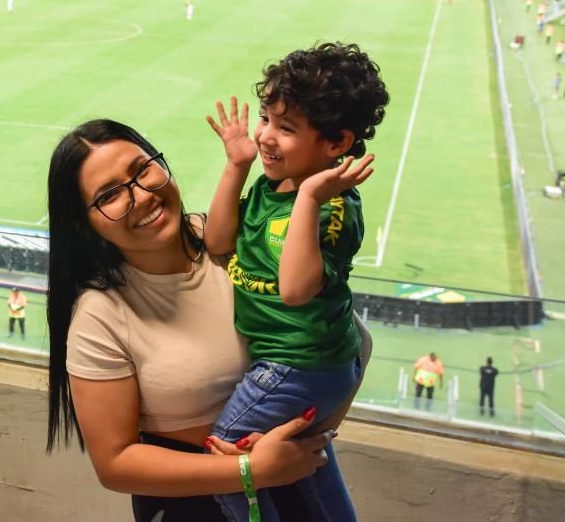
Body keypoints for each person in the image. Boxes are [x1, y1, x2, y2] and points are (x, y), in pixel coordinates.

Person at [46, 119, 368, 522]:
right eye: (110, 195)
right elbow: (115, 464)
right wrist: (252, 470)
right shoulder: (100, 314)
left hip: (298, 472)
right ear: (85, 223)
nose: (141, 196)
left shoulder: (229, 236)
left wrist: (312, 433)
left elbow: (350, 340)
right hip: (194, 504)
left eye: (143, 169)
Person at [203, 42, 387, 520]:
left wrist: (308, 198)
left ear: (336, 143)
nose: (265, 136)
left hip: (299, 366)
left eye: (286, 128)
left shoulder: (331, 207)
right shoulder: (274, 183)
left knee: (226, 461)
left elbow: (295, 289)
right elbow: (217, 241)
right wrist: (236, 165)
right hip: (296, 363)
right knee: (312, 471)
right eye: (266, 119)